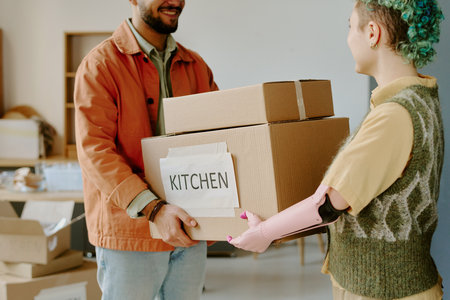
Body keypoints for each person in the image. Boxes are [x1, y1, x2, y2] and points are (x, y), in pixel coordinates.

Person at [228, 0, 444, 299]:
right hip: (395, 285)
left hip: (383, 291)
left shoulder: (393, 115)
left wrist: (264, 233)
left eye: (350, 26)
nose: (348, 39)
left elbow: (328, 205)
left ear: (372, 33)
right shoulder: (420, 98)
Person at [74, 0, 218, 299]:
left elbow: (219, 139)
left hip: (189, 227)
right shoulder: (101, 64)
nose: (175, 2)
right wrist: (154, 210)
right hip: (130, 232)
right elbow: (95, 152)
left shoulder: (196, 66)